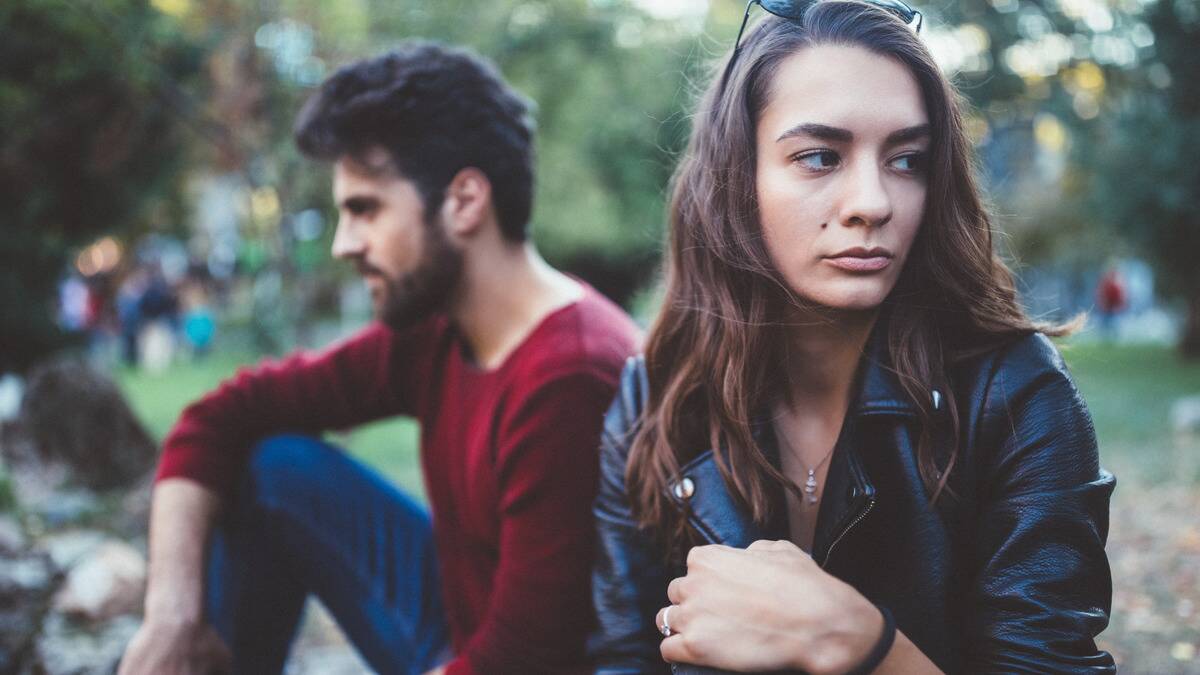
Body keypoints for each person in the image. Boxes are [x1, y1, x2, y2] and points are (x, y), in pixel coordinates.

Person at [589, 2, 1115, 673]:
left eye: (907, 159)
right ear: (737, 177)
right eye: (819, 156)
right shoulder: (653, 401)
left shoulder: (1015, 395)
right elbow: (620, 659)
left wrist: (862, 643)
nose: (873, 201)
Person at [119, 42, 641, 675]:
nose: (343, 245)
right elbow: (217, 418)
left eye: (364, 209)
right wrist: (172, 616)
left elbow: (525, 661)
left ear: (465, 201)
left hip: (511, 661)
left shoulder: (571, 377)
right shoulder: (435, 329)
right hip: (457, 629)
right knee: (276, 467)